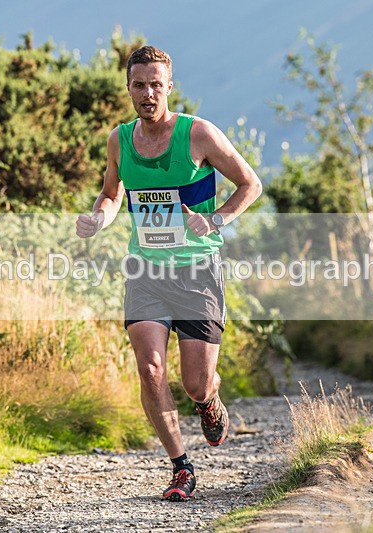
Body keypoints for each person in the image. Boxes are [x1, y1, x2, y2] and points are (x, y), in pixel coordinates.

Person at [76, 45, 262, 502]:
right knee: (150, 367)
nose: (147, 93)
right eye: (139, 84)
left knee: (196, 381)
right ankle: (181, 467)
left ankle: (208, 401)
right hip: (146, 270)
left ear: (169, 87)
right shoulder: (119, 139)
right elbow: (110, 192)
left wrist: (215, 219)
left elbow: (250, 184)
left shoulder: (198, 134)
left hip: (198, 269)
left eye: (156, 84)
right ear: (128, 87)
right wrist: (100, 218)